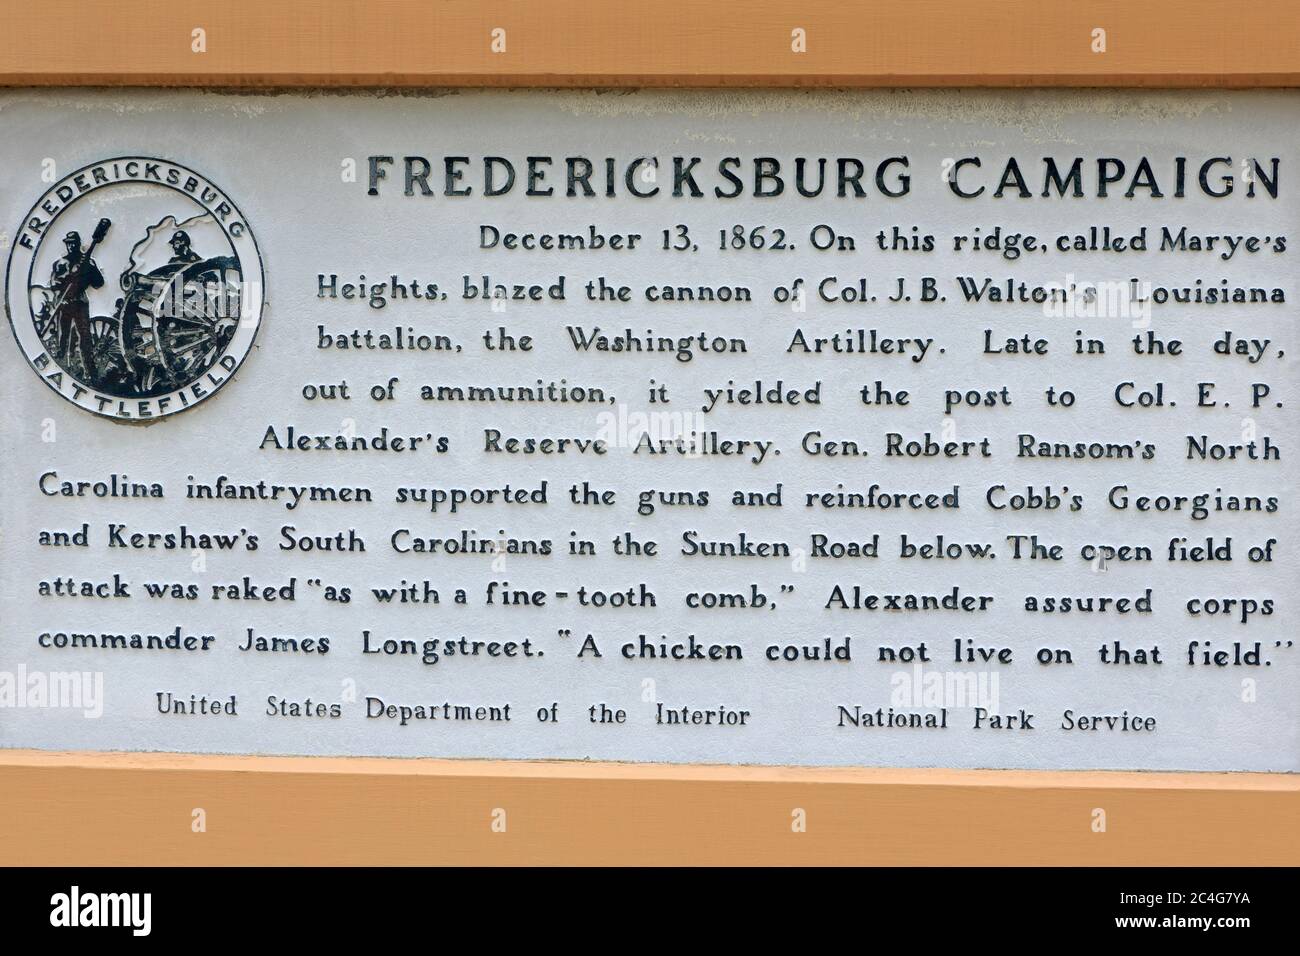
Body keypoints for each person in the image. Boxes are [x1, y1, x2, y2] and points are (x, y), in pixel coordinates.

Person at [49, 231, 104, 379]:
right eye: (68, 243)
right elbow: (53, 284)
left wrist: (88, 272)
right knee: (63, 338)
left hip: (80, 303)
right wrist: (67, 279)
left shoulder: (88, 262)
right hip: (64, 303)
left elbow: (98, 283)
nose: (71, 246)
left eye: (73, 242)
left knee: (85, 338)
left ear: (79, 244)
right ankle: (61, 369)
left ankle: (91, 372)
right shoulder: (61, 263)